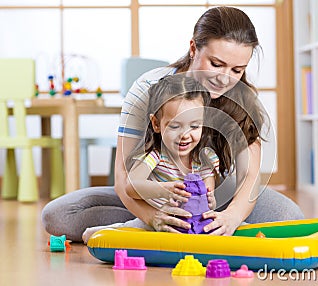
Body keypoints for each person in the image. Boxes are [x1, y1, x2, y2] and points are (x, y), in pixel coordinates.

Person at [42, 6, 304, 242]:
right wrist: (153, 216)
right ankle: (148, 224)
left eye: (237, 70)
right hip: (152, 189)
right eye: (216, 64)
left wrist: (232, 216)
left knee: (289, 215)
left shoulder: (243, 99)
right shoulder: (149, 88)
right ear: (193, 48)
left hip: (213, 198)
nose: (225, 79)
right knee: (59, 215)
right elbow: (124, 179)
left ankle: (188, 224)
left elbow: (250, 177)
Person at [81, 75, 218, 243]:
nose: (185, 135)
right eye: (174, 126)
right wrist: (165, 189)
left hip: (195, 225)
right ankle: (103, 234)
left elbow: (209, 198)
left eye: (195, 126)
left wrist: (210, 199)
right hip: (157, 223)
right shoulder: (155, 156)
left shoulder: (206, 158)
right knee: (122, 231)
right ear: (156, 124)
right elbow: (131, 186)